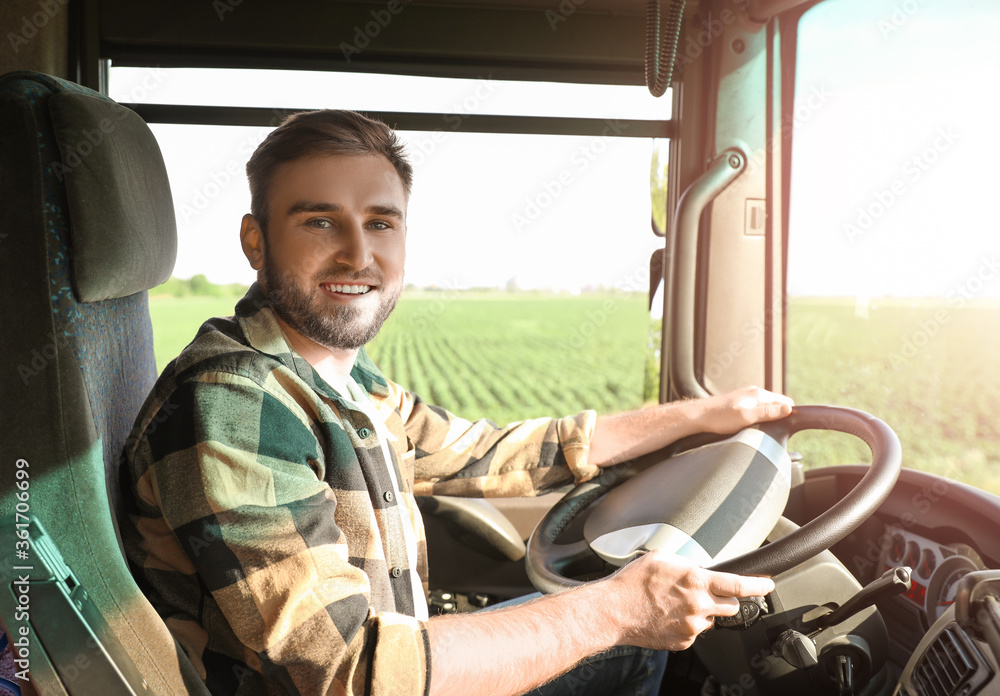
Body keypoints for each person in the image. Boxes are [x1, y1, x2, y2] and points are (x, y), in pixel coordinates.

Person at [119, 109, 793, 696]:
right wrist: (614, 611)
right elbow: (349, 673)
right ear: (255, 241)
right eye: (320, 221)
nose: (358, 255)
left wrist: (694, 417)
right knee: (628, 639)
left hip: (394, 662)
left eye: (380, 223)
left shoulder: (336, 378)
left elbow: (477, 452)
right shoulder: (234, 403)